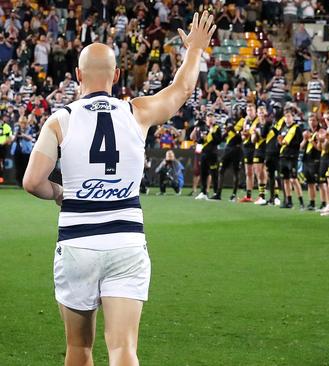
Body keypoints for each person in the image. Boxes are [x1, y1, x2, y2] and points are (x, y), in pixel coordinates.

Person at [22, 11, 216, 366]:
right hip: (126, 242)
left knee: (79, 349)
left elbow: (33, 182)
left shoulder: (60, 119)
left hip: (77, 243)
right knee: (123, 350)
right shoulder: (136, 112)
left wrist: (61, 194)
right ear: (118, 75)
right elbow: (182, 91)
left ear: (78, 76)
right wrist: (195, 50)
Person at [0, 114, 12, 183]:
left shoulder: (6, 127)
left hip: (2, 147)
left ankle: (1, 178)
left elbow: (9, 138)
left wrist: (2, 144)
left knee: (1, 163)